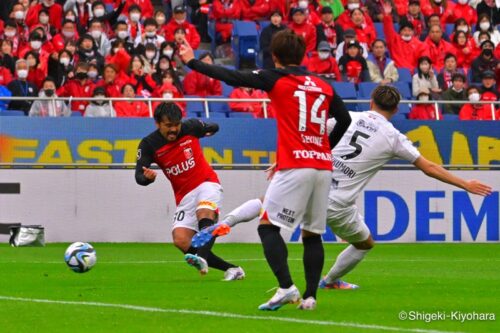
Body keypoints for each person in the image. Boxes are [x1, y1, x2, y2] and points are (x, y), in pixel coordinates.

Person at [195, 86, 493, 291]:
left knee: (266, 204)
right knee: (364, 244)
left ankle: (225, 223)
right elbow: (429, 167)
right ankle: (330, 280)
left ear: (372, 101)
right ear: (395, 109)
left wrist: (281, 160)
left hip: (313, 179)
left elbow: (307, 134)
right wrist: (465, 183)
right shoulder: (393, 136)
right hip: (338, 202)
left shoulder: (347, 117)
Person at [179, 29, 352, 311]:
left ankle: (286, 287)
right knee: (312, 234)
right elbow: (343, 120)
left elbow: (232, 77)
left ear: (274, 56)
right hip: (322, 166)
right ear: (302, 54)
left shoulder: (275, 77)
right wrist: (322, 147)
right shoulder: (323, 84)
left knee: (268, 227)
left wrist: (192, 62)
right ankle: (310, 297)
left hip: (296, 164)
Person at [135, 102, 244, 281]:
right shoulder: (148, 144)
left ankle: (201, 256)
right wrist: (146, 178)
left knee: (204, 211)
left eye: (176, 125)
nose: (174, 130)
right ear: (157, 124)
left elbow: (214, 127)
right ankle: (232, 269)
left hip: (207, 183)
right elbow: (139, 176)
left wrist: (208, 128)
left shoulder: (190, 127)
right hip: (184, 195)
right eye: (168, 126)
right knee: (181, 240)